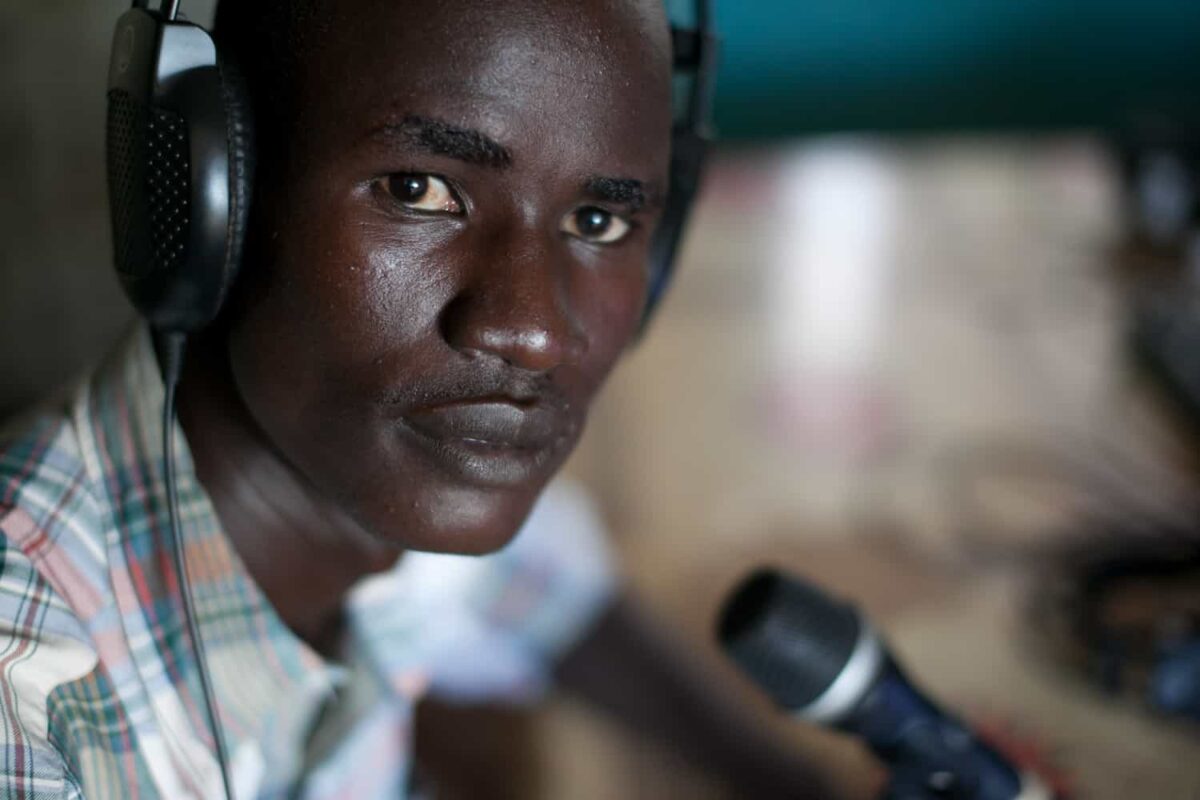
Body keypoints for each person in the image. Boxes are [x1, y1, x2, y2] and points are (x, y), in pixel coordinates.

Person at [0, 1, 841, 797]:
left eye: (597, 222)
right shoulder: (24, 720)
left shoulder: (394, 466)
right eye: (419, 191)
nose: (532, 332)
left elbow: (555, 597)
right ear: (207, 197)